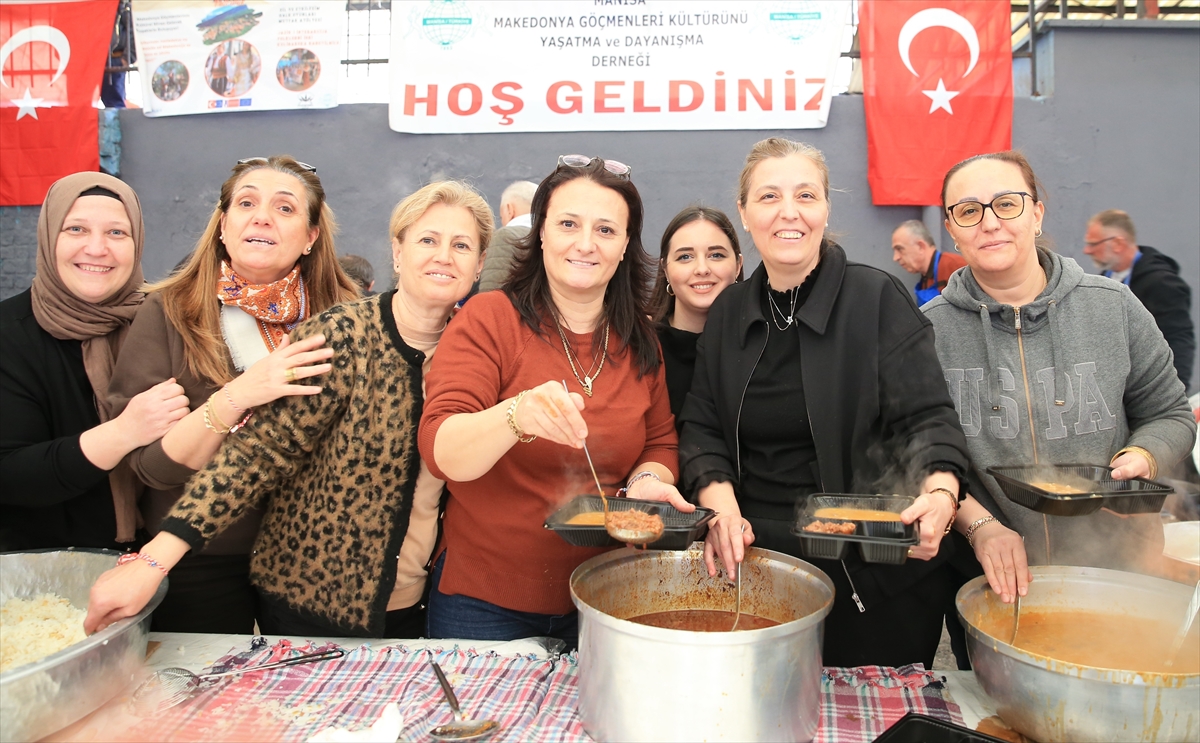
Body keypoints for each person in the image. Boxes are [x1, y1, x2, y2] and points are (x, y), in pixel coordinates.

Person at [86, 180, 493, 638]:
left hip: (420, 599)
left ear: (479, 264)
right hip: (315, 602)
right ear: (397, 253)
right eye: (427, 240)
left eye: (461, 245)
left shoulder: (479, 350)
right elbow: (257, 453)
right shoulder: (341, 335)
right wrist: (155, 559)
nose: (443, 256)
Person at [679, 138, 973, 669]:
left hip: (873, 573)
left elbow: (928, 419)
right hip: (757, 562)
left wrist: (942, 492)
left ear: (825, 209)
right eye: (768, 197)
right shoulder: (726, 314)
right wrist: (722, 512)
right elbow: (702, 427)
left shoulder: (877, 298)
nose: (788, 212)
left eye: (806, 195)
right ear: (744, 213)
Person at [419, 155, 692, 649]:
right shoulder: (490, 320)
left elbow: (659, 440)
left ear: (626, 246)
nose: (585, 243)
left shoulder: (640, 341)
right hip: (484, 603)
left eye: (606, 229)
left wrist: (647, 481)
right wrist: (516, 415)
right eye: (568, 224)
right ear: (541, 232)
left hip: (609, 595)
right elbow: (442, 450)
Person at [101, 156, 359, 634]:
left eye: (285, 208)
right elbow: (152, 470)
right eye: (246, 203)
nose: (262, 216)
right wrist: (238, 395)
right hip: (198, 555)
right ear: (223, 227)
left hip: (314, 559)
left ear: (311, 236)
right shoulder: (166, 312)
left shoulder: (349, 320)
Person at [925, 151, 1195, 578]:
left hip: (1119, 566)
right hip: (993, 576)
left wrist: (1143, 455)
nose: (990, 222)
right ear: (952, 231)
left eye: (1007, 203)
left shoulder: (1113, 307)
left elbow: (1171, 414)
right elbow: (920, 453)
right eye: (969, 211)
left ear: (1037, 213)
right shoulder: (927, 331)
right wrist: (979, 525)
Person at [1, 173, 189, 552]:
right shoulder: (9, 334)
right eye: (76, 229)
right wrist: (124, 432)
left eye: (117, 233)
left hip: (164, 559)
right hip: (44, 578)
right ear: (48, 236)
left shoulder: (167, 323)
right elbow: (10, 475)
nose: (97, 248)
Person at [647, 206, 744, 429]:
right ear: (665, 269)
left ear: (738, 265)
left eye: (716, 255)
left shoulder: (760, 343)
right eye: (685, 257)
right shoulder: (641, 346)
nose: (702, 269)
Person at [1083, 209, 1194, 390]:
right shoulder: (1104, 279)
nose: (1086, 250)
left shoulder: (1162, 284)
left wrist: (1176, 397)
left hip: (1145, 389)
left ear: (1118, 243)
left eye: (1093, 244)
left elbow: (1178, 339)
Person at [476, 180, 537, 292]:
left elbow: (490, 298)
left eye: (501, 216)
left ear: (509, 210)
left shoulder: (506, 237)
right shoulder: (552, 238)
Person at [892, 219, 967, 307]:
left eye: (899, 249)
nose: (895, 258)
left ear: (920, 246)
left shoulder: (956, 266)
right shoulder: (925, 278)